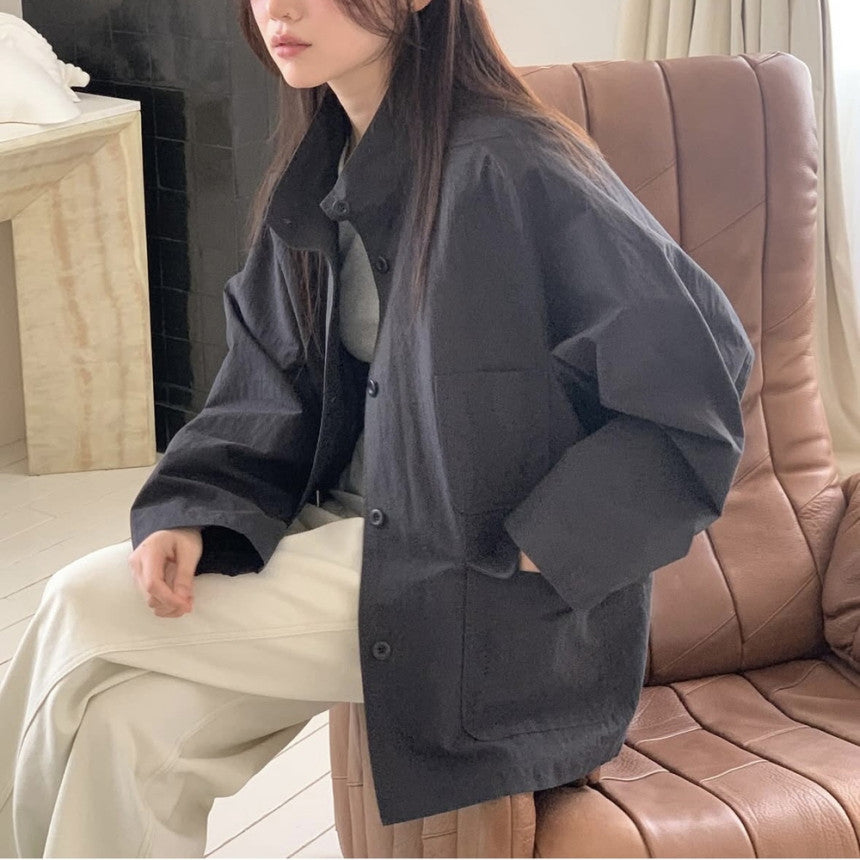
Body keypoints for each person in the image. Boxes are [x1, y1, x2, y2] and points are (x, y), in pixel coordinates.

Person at [0, 0, 755, 854]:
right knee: (126, 730)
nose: (279, 9)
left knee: (77, 603)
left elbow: (698, 384)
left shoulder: (514, 163)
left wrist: (546, 545)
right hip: (346, 539)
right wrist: (194, 509)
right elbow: (267, 383)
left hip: (460, 571)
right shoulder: (321, 169)